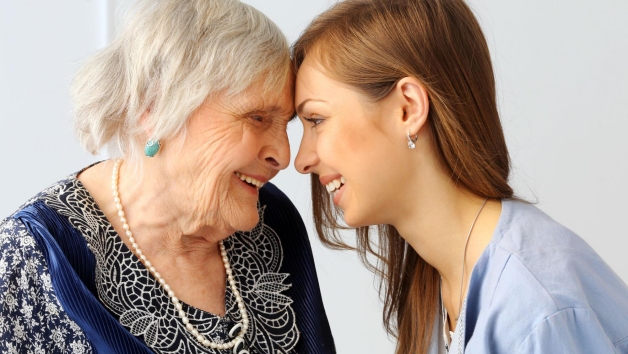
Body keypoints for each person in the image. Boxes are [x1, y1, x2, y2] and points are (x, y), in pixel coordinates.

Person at [291, 0, 628, 353]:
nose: (301, 161)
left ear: (408, 108)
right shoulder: (441, 284)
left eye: (316, 120)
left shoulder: (536, 305)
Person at [0, 0, 336, 353]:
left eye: (285, 125)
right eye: (256, 118)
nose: (282, 155)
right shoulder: (29, 258)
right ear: (155, 107)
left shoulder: (273, 222)